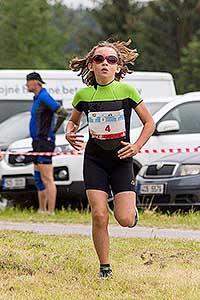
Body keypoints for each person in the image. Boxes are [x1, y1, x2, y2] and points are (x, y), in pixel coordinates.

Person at [65, 40, 155, 278]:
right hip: (95, 160)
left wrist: (136, 146)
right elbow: (73, 121)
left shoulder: (127, 91)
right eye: (99, 59)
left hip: (121, 159)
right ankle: (105, 267)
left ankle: (130, 212)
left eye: (111, 60)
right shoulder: (84, 94)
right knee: (99, 214)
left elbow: (149, 123)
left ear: (118, 66)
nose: (105, 63)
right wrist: (69, 132)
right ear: (91, 65)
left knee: (124, 219)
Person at [26, 72, 68, 214]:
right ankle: (42, 210)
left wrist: (53, 130)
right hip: (36, 142)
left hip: (45, 142)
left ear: (36, 82)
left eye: (28, 81)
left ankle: (51, 211)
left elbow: (62, 112)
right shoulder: (37, 98)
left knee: (47, 178)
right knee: (38, 177)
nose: (26, 85)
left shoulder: (44, 96)